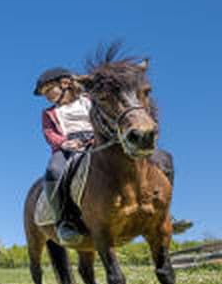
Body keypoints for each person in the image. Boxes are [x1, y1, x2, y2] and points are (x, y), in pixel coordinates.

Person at [34, 68, 192, 244]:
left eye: (49, 90)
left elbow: (106, 115)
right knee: (54, 170)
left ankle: (164, 214)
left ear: (65, 84)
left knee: (164, 158)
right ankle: (64, 220)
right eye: (44, 94)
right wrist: (63, 143)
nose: (47, 96)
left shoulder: (90, 100)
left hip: (100, 140)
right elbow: (49, 133)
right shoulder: (49, 113)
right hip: (69, 147)